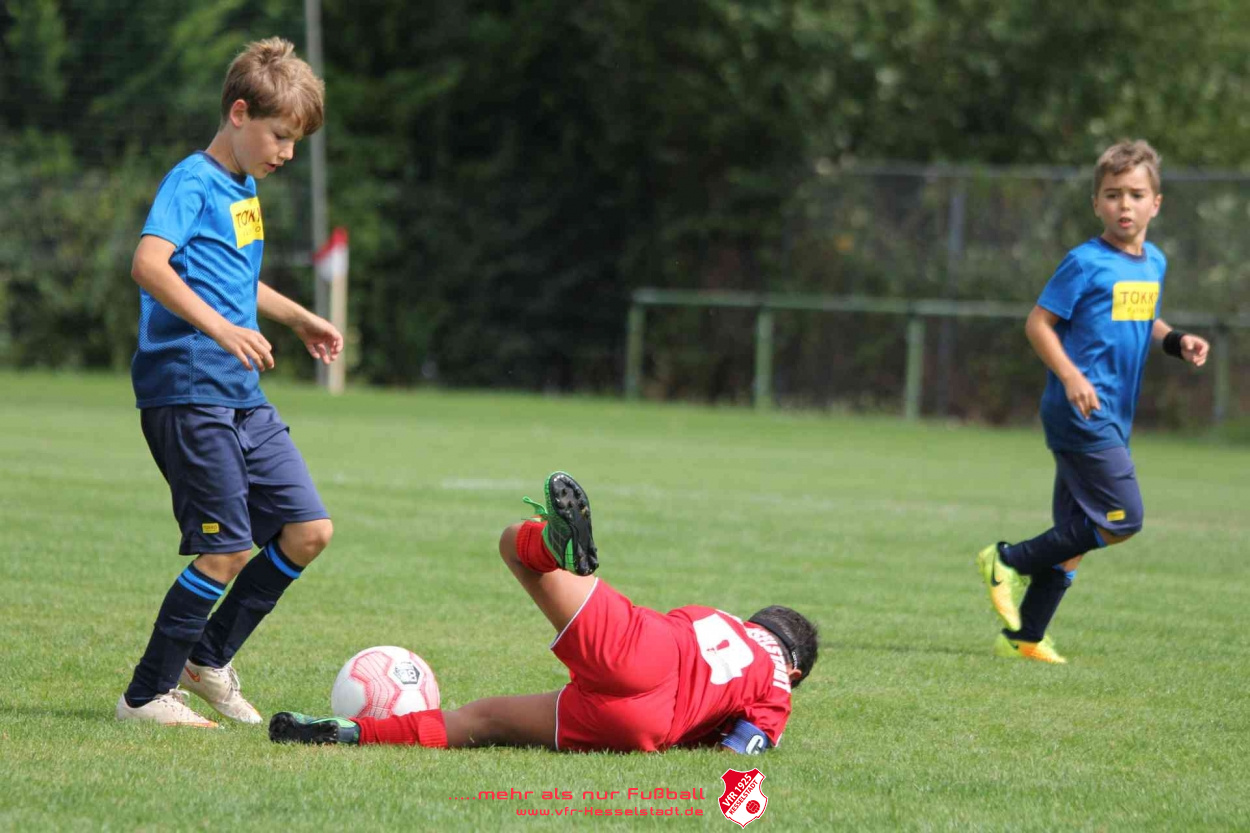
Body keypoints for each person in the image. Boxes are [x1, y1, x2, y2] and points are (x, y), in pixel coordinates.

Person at [116, 38, 342, 727]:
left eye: (296, 141)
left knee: (308, 529)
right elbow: (149, 264)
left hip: (240, 395)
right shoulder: (192, 180)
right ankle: (145, 697)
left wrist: (298, 316)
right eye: (280, 135)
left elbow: (235, 280)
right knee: (225, 548)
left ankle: (206, 658)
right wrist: (221, 329)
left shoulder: (244, 189)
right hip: (188, 391)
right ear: (239, 114)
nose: (287, 153)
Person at [269, 472, 819, 753]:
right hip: (642, 728)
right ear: (794, 669)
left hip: (642, 650)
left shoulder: (718, 618)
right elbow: (741, 754)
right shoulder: (777, 689)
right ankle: (350, 733)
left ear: (755, 623)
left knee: (513, 543)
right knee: (485, 724)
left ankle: (554, 547)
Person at [976, 140, 1209, 663]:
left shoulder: (1154, 262)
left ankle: (1024, 636)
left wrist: (1176, 341)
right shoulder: (1084, 262)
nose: (1125, 204)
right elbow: (1038, 323)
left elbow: (1144, 317)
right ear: (1096, 203)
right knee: (1123, 519)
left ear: (1156, 203)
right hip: (1080, 410)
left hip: (1114, 413)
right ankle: (1007, 560)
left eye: (1136, 194)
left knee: (1075, 532)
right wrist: (1071, 376)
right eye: (1112, 194)